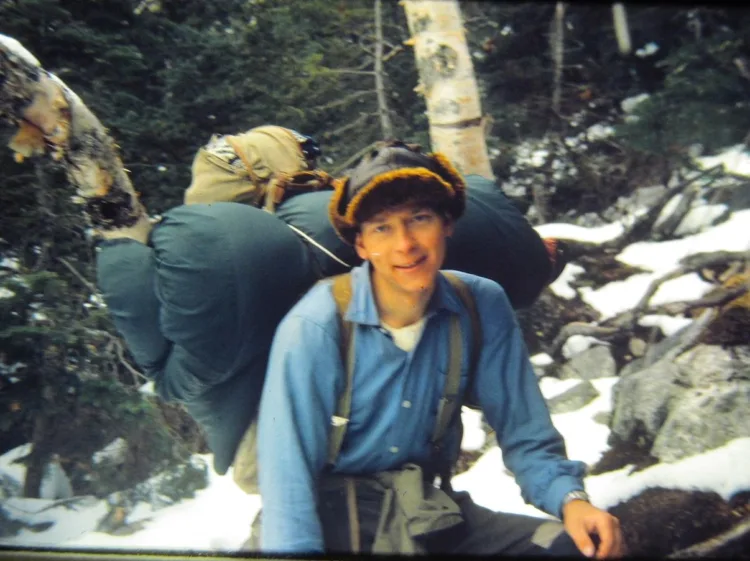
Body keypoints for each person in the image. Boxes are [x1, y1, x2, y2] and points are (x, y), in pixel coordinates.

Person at [256, 141, 624, 556]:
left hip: (428, 513)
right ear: (360, 245)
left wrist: (571, 500)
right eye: (381, 228)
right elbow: (286, 479)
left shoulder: (480, 304)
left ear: (447, 223)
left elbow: (526, 434)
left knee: (577, 549)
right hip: (336, 526)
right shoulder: (316, 325)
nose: (405, 244)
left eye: (420, 219)